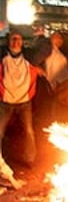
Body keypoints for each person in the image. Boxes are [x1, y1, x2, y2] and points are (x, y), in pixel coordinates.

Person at [0, 31, 45, 188]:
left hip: (24, 102)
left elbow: (45, 49)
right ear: (8, 41)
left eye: (18, 39)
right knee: (0, 132)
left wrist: (42, 36)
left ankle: (30, 159)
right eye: (12, 39)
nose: (15, 42)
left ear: (22, 42)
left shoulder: (29, 57)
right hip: (6, 102)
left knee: (29, 131)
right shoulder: (2, 57)